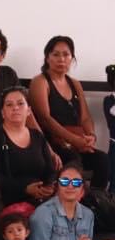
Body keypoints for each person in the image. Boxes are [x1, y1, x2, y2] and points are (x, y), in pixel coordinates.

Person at [28, 36, 108, 191]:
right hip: (51, 143)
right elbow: (45, 119)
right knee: (73, 159)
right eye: (56, 54)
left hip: (76, 142)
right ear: (47, 57)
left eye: (66, 54)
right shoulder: (40, 82)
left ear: (72, 58)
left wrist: (90, 137)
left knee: (102, 160)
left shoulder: (75, 84)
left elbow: (85, 117)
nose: (61, 59)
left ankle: (94, 203)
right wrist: (74, 140)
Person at [0, 87, 57, 208]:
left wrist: (48, 186)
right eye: (9, 105)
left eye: (20, 103)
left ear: (29, 110)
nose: (15, 108)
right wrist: (25, 189)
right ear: (2, 113)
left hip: (41, 201)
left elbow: (50, 169)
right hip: (9, 203)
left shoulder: (37, 136)